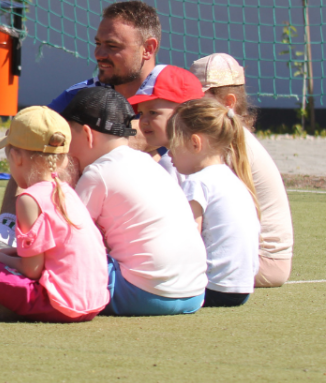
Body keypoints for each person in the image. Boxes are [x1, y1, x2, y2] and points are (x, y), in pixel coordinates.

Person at [0, 1, 167, 255]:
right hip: (91, 221)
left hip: (150, 235)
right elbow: (25, 132)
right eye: (98, 43)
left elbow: (146, 140)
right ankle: (8, 234)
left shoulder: (172, 94)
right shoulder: (85, 93)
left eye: (112, 46)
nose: (99, 53)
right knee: (31, 146)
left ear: (148, 49)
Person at [61, 87, 207, 316]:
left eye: (68, 137)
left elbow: (67, 239)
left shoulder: (97, 174)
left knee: (63, 270)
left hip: (144, 295)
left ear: (87, 135)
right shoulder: (150, 164)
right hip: (195, 293)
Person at [0, 107, 109, 322]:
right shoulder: (66, 192)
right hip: (94, 301)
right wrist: (10, 254)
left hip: (58, 304)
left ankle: (11, 306)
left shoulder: (29, 199)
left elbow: (32, 270)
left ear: (16, 157)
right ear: (63, 159)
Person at [191, 53, 293, 288]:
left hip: (262, 260)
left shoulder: (227, 142)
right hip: (262, 259)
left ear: (228, 102)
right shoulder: (234, 136)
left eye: (199, 99)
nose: (189, 107)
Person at [167, 99, 260, 308]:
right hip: (242, 288)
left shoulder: (197, 182)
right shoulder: (232, 179)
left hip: (213, 287)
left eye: (172, 144)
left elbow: (189, 238)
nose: (169, 154)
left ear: (195, 143)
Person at [127, 65, 204, 180]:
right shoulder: (208, 154)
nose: (142, 121)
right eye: (141, 113)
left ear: (186, 111)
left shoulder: (173, 164)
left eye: (153, 113)